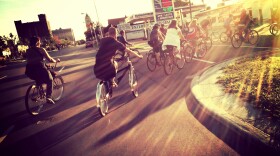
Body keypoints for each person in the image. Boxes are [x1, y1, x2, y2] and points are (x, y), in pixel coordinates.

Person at [25, 36, 59, 104]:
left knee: (38, 79)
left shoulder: (28, 51)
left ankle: (40, 94)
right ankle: (48, 97)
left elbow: (32, 61)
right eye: (39, 42)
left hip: (30, 70)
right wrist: (55, 61)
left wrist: (45, 64)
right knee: (50, 79)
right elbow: (49, 59)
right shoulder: (41, 49)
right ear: (37, 42)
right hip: (40, 69)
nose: (40, 43)